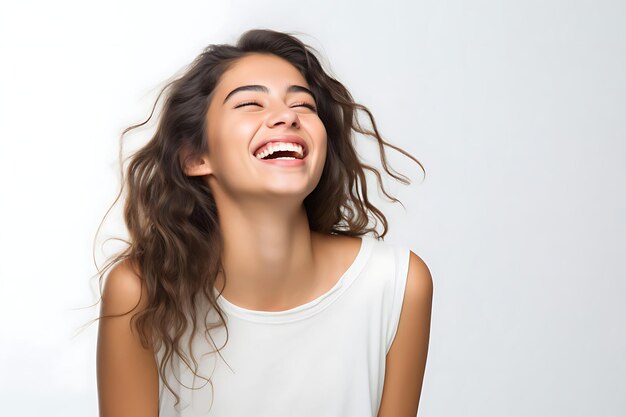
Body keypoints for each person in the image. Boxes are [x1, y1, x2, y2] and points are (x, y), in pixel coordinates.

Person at [95, 28, 433, 417]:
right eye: (250, 104)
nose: (287, 116)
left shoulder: (396, 285)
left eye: (304, 105)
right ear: (195, 157)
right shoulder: (140, 292)